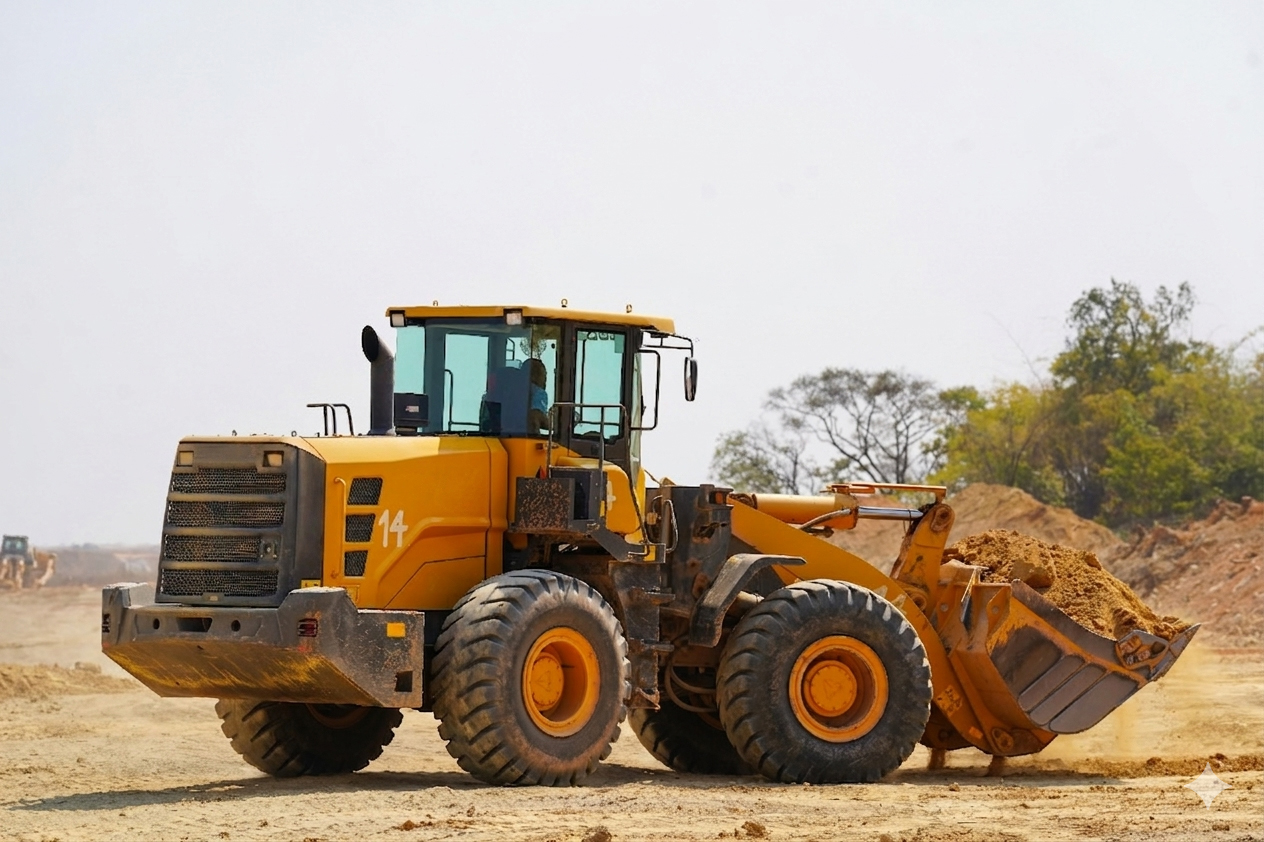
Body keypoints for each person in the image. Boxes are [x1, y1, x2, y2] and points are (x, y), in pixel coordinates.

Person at [525, 358, 551, 434]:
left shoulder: (508, 390)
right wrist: (555, 424)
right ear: (534, 376)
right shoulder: (539, 393)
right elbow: (536, 416)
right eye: (544, 375)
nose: (545, 380)